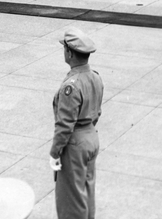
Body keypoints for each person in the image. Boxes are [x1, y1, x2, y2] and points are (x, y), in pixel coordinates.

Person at [49, 28, 104, 219]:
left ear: (70, 53)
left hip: (75, 144)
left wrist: (55, 152)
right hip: (91, 137)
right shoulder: (95, 77)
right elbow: (97, 111)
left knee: (71, 200)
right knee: (86, 193)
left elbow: (65, 125)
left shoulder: (71, 86)